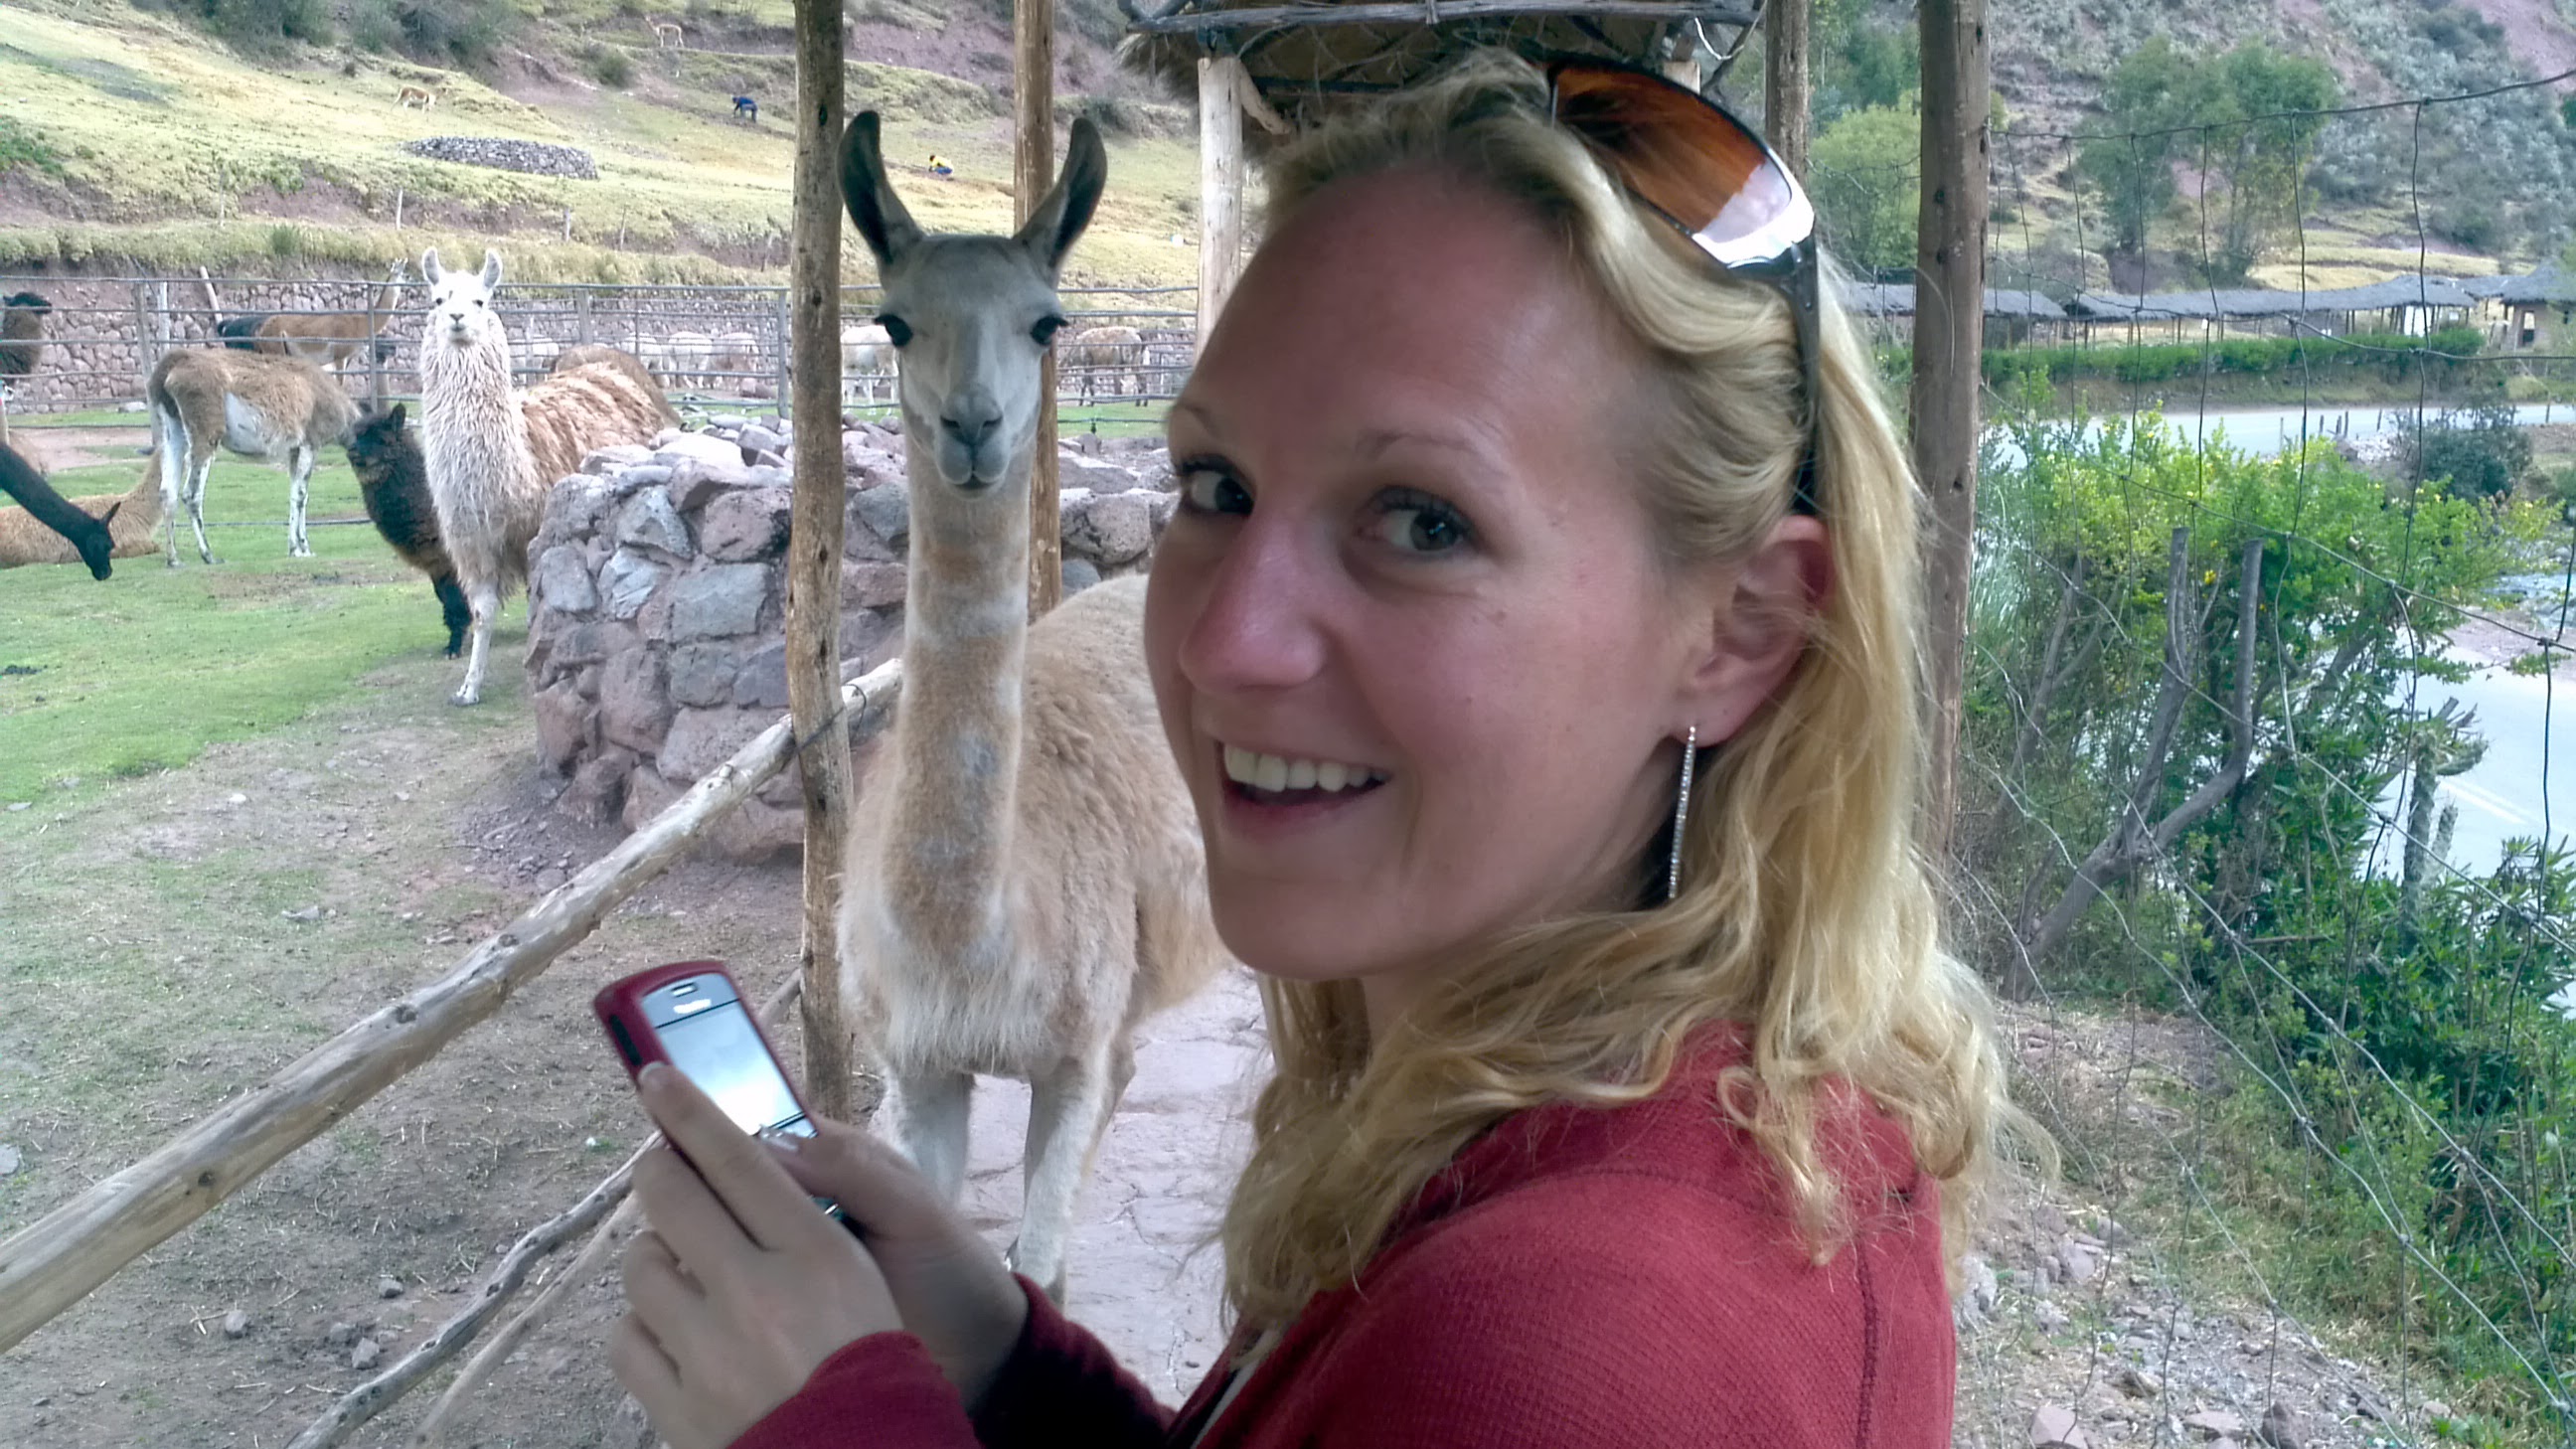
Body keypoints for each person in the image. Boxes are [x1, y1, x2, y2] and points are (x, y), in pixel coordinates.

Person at [606, 49, 2027, 1449]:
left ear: (1737, 630)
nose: (1225, 644)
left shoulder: (1562, 1352)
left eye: (1422, 520)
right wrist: (1005, 1370)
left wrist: (834, 1429)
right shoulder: (1685, 1115)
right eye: (1216, 486)